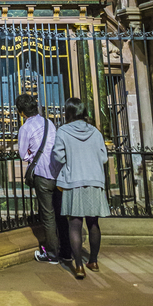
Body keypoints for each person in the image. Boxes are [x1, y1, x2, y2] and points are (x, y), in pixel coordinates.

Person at [52, 96, 110, 279]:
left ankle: (78, 266)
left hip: (73, 181)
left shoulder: (63, 131)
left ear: (68, 112)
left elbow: (58, 156)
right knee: (93, 223)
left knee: (75, 224)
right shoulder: (95, 132)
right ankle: (93, 260)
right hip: (94, 180)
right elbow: (104, 158)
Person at [16, 93, 70, 265]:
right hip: (58, 173)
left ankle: (52, 254)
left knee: (47, 215)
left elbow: (23, 154)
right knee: (61, 212)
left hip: (42, 174)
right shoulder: (49, 123)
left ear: (22, 112)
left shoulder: (25, 128)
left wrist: (32, 153)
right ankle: (66, 250)